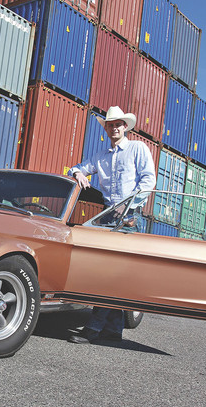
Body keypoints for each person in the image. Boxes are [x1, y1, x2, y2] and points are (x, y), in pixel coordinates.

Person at [66, 106, 156, 344]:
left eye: (118, 124)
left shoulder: (137, 148)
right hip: (107, 219)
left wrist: (128, 204)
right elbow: (75, 168)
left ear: (125, 127)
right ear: (105, 128)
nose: (114, 128)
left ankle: (93, 329)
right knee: (112, 275)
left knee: (111, 275)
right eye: (110, 124)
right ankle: (114, 331)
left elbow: (148, 179)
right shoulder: (100, 156)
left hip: (129, 218)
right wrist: (78, 174)